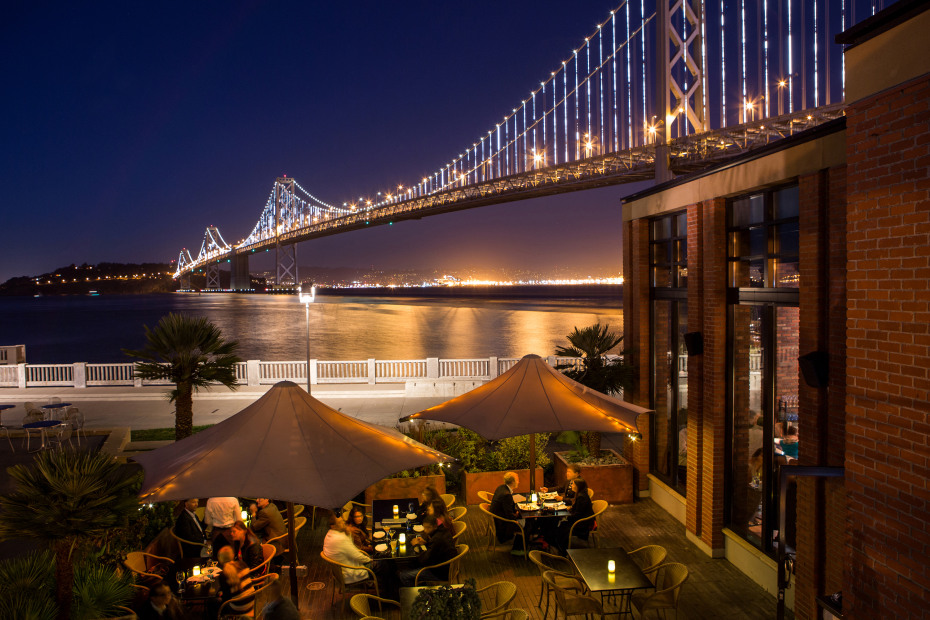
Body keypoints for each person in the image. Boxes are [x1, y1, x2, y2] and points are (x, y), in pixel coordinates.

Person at [399, 514, 456, 586]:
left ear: (435, 526)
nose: (425, 530)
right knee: (411, 564)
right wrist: (425, 543)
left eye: (428, 528)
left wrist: (416, 545)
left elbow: (423, 560)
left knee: (404, 576)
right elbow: (434, 550)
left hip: (440, 572)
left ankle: (415, 593)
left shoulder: (437, 539)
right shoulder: (442, 531)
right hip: (445, 566)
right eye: (424, 527)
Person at [322, 512, 375, 585]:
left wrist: (347, 531)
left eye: (343, 521)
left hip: (341, 571)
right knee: (382, 564)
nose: (344, 523)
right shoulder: (340, 539)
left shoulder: (329, 534)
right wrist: (370, 560)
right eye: (340, 523)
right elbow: (357, 556)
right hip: (350, 572)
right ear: (333, 526)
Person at [554, 478, 594, 554]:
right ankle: (561, 547)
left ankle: (563, 550)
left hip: (581, 523)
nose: (571, 485)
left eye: (573, 484)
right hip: (579, 519)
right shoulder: (580, 495)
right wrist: (569, 509)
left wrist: (565, 515)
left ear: (578, 486)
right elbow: (577, 509)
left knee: (561, 526)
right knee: (560, 525)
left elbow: (577, 515)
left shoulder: (581, 497)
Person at [490, 471, 525, 547]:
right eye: (517, 480)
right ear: (513, 482)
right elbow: (509, 516)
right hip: (504, 524)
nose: (519, 482)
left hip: (498, 520)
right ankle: (522, 545)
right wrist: (517, 514)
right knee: (529, 523)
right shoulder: (507, 495)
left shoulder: (501, 487)